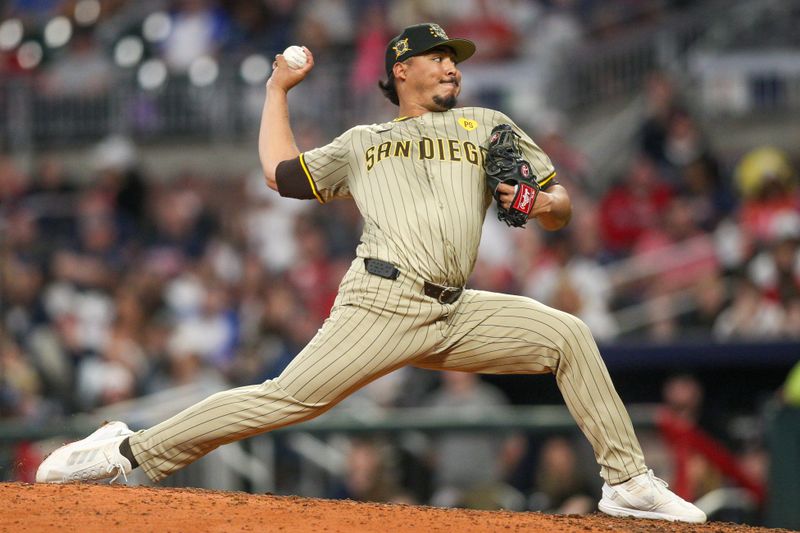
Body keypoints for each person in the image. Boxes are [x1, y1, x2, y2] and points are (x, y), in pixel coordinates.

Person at [36, 23, 705, 524]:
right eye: (441, 57)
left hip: (456, 307)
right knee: (283, 399)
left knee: (568, 335)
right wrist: (277, 90)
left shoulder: (487, 125)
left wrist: (534, 199)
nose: (453, 67)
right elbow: (281, 174)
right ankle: (127, 450)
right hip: (381, 301)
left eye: (456, 60)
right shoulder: (363, 142)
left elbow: (558, 208)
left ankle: (626, 479)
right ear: (403, 68)